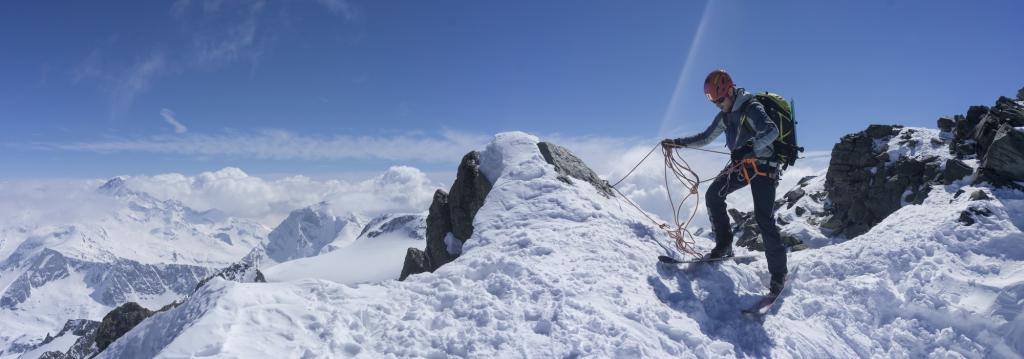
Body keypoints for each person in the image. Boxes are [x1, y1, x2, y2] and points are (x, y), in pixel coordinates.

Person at [661, 69, 787, 296]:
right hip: (742, 166)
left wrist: (750, 148)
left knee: (763, 218)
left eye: (720, 100)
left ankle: (779, 274)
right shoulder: (725, 116)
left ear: (730, 90)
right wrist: (677, 143)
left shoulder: (752, 107)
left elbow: (772, 130)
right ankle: (724, 245)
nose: (718, 105)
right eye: (715, 102)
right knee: (713, 195)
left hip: (764, 167)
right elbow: (705, 137)